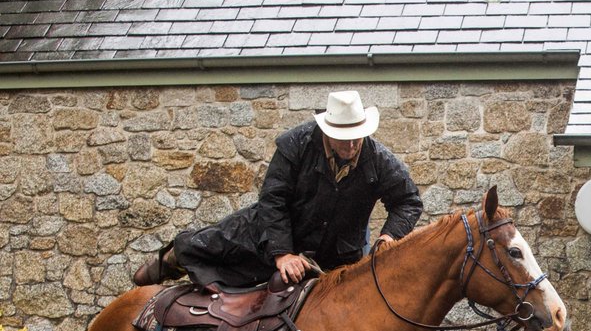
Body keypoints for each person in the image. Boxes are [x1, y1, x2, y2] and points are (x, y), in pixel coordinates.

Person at [133, 90, 423, 288]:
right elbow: (273, 199)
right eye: (342, 138)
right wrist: (283, 253)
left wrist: (389, 236)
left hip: (338, 253)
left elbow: (408, 200)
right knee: (204, 246)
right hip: (273, 233)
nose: (350, 145)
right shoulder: (295, 145)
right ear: (326, 131)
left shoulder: (379, 159)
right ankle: (169, 261)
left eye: (356, 137)